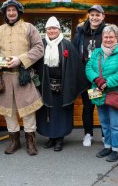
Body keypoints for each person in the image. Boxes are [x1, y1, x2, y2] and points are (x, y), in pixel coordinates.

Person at [0, 0, 44, 156]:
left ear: (19, 12)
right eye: (8, 10)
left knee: (28, 111)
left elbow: (39, 48)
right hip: (5, 78)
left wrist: (21, 59)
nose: (11, 13)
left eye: (14, 10)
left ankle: (30, 142)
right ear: (5, 13)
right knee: (10, 111)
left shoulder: (29, 28)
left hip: (23, 76)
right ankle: (14, 141)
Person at [35, 16, 88, 152]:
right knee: (48, 112)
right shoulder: (41, 44)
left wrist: (73, 85)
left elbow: (76, 65)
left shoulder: (67, 44)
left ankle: (59, 139)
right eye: (49, 28)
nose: (51, 31)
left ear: (59, 29)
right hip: (46, 86)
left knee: (61, 113)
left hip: (63, 86)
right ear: (46, 30)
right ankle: (50, 138)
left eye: (54, 28)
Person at [86, 25, 118, 162]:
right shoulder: (96, 52)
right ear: (102, 38)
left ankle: (116, 149)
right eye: (106, 37)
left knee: (115, 123)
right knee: (104, 122)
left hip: (115, 93)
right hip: (97, 91)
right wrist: (96, 79)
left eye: (111, 37)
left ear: (116, 37)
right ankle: (107, 146)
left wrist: (106, 82)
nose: (108, 39)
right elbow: (88, 68)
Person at [72, 5, 105, 146]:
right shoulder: (80, 32)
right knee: (88, 107)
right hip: (85, 76)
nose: (94, 17)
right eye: (92, 14)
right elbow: (73, 51)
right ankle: (88, 134)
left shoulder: (106, 31)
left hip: (100, 76)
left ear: (103, 16)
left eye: (98, 15)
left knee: (102, 106)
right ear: (88, 16)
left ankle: (105, 135)